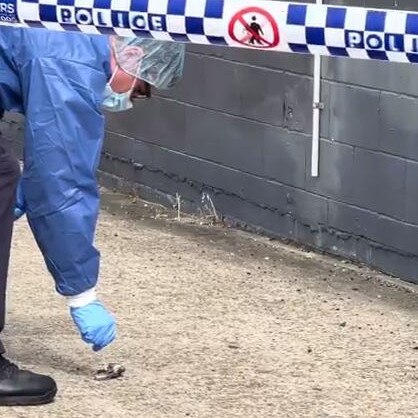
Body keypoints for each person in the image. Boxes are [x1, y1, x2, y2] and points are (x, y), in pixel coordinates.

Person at [0, 26, 185, 406]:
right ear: (133, 55)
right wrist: (81, 293)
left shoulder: (69, 32)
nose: (131, 98)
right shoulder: (73, 60)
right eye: (141, 88)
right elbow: (61, 182)